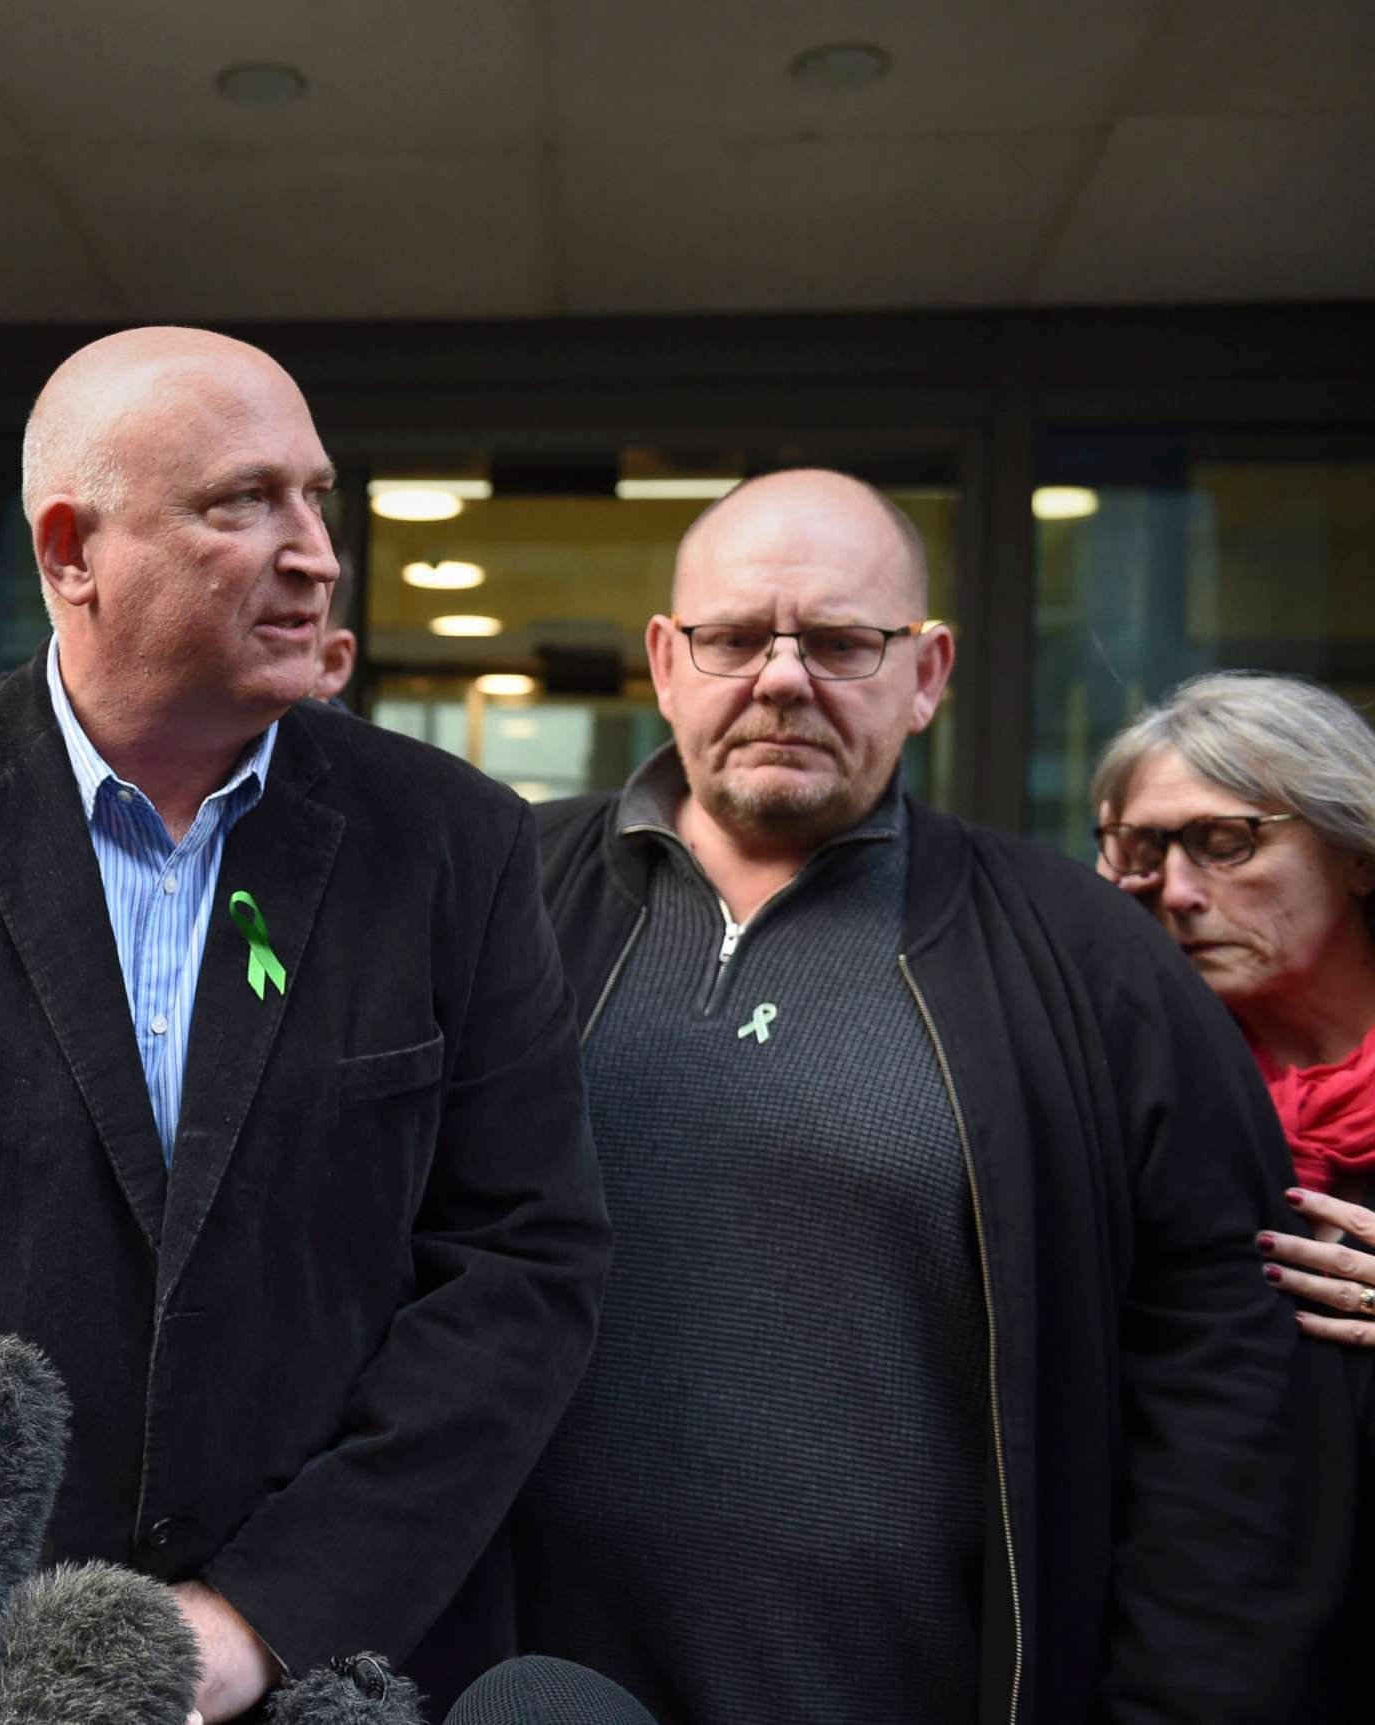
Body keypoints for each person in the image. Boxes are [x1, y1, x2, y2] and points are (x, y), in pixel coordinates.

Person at [0, 325, 609, 1719]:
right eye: (242, 502)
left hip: (332, 1669)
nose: (315, 552)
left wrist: (257, 1618)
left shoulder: (452, 842)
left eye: (316, 498)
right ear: (70, 549)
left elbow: (524, 1266)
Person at [520, 469, 1341, 1723]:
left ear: (929, 673)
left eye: (844, 642)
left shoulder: (1086, 960)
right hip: (522, 1689)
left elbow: (1227, 1381)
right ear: (667, 660)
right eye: (735, 638)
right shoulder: (494, 905)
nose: (782, 679)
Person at [1091, 670, 1375, 1701]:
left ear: (1355, 850)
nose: (1177, 893)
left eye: (1227, 843)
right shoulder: (1119, 1092)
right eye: (1140, 852)